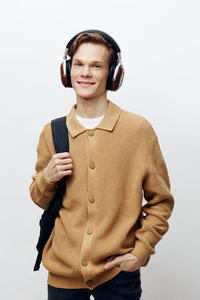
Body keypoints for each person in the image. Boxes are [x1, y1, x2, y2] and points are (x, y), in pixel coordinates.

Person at [29, 30, 174, 300]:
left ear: (112, 74)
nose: (85, 72)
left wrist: (139, 253)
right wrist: (47, 177)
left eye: (96, 66)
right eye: (79, 64)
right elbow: (39, 199)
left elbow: (161, 201)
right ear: (68, 70)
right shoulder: (52, 132)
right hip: (63, 276)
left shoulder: (138, 130)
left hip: (118, 275)